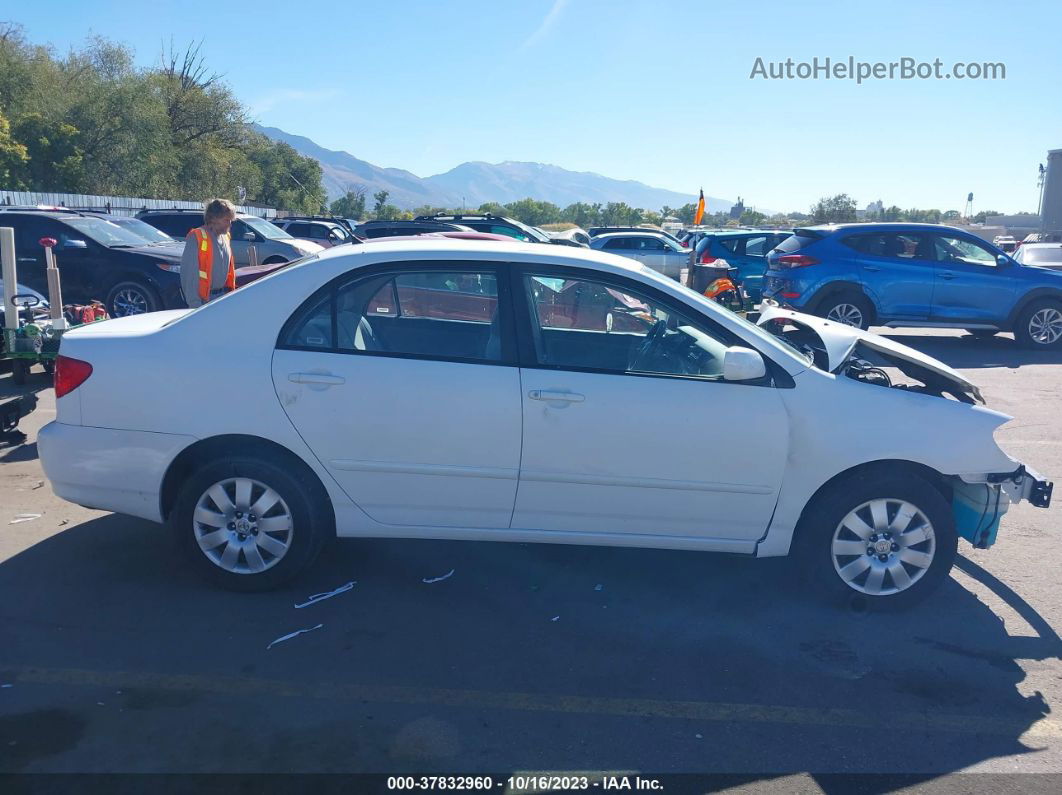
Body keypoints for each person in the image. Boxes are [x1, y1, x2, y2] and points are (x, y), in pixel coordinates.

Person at [181, 199, 237, 308]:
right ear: (214, 218)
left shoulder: (226, 237)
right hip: (204, 301)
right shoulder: (197, 237)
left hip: (223, 297)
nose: (230, 224)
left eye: (231, 220)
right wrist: (194, 305)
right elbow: (189, 275)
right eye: (226, 220)